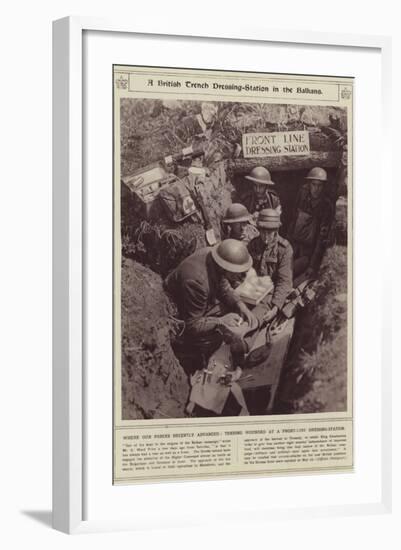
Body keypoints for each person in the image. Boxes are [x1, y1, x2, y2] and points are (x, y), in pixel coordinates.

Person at [164, 239, 256, 369]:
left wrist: (240, 305)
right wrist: (221, 321)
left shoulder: (215, 258)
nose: (242, 277)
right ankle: (195, 361)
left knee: (230, 312)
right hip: (178, 315)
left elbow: (223, 286)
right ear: (225, 267)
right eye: (239, 273)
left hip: (194, 303)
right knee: (216, 338)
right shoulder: (197, 282)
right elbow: (192, 325)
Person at [287, 167, 334, 278]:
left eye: (320, 185)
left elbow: (321, 238)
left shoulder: (326, 206)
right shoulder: (302, 195)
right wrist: (286, 247)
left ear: (324, 186)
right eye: (313, 184)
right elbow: (293, 221)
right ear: (309, 184)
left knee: (291, 271)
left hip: (308, 251)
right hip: (293, 244)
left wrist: (312, 265)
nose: (316, 189)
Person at [248, 209, 293, 323]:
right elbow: (245, 271)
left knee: (252, 321)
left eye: (269, 232)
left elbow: (284, 281)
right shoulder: (253, 244)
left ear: (276, 230)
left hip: (270, 294)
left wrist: (276, 307)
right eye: (263, 232)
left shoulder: (284, 249)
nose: (265, 236)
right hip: (251, 291)